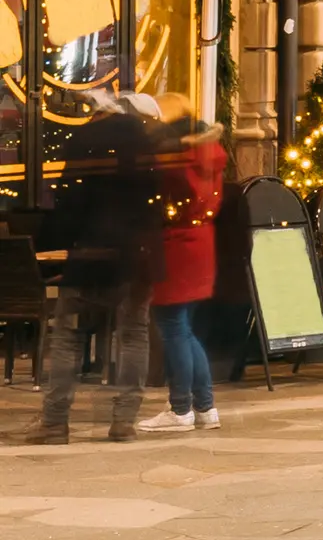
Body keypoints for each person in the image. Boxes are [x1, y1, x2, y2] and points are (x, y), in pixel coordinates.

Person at [30, 102, 163, 446]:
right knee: (133, 334)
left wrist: (53, 244)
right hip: (135, 256)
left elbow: (68, 200)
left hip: (89, 254)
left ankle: (56, 422)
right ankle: (123, 421)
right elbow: (157, 202)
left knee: (67, 336)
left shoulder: (83, 140)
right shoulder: (146, 144)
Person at [141, 103, 226, 435]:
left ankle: (180, 409)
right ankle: (205, 407)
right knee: (184, 328)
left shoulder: (176, 162)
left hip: (176, 244)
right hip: (201, 242)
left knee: (173, 327)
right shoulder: (209, 157)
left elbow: (157, 200)